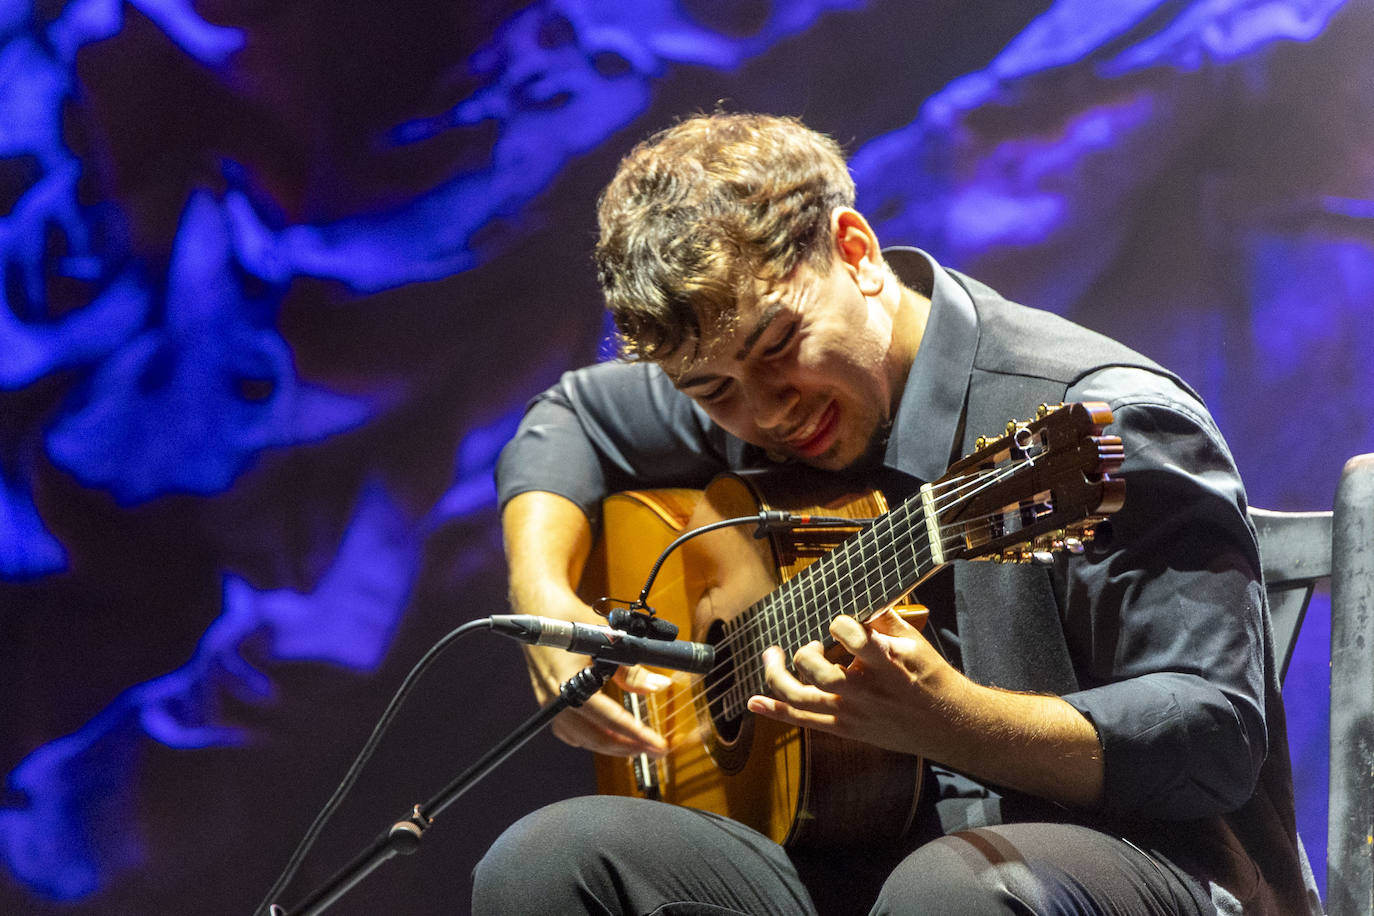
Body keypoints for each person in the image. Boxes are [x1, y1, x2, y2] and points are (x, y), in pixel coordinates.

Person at [473, 112, 1319, 914]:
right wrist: (548, 600)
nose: (768, 413)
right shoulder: (742, 387)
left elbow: (1213, 741)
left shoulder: (1094, 419)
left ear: (855, 250)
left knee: (951, 890)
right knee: (545, 861)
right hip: (872, 860)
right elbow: (570, 421)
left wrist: (956, 722)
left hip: (1141, 864)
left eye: (781, 348)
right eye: (714, 392)